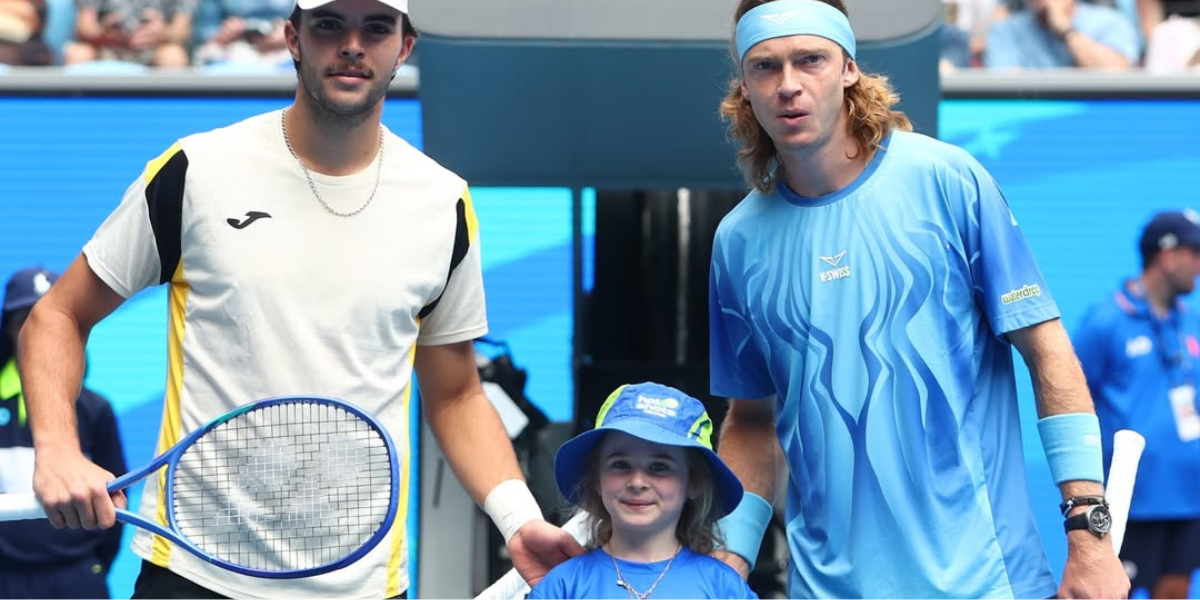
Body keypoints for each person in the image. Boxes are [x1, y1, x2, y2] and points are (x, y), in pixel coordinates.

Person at [18, 0, 582, 597]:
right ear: (293, 37)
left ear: (405, 48)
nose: (352, 45)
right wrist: (56, 449)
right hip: (192, 574)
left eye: (376, 27)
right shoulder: (196, 170)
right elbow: (57, 314)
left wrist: (519, 519)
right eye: (330, 24)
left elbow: (456, 393)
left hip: (362, 585)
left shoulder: (444, 204)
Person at [708, 0, 1129, 598]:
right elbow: (752, 421)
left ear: (850, 68)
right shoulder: (737, 241)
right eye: (766, 67)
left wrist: (1089, 534)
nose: (790, 85)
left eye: (811, 60)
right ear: (744, 88)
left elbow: (1047, 351)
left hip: (986, 582)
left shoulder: (948, 180)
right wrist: (726, 565)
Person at [529, 382, 758, 600]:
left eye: (659, 467)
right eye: (620, 465)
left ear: (694, 483)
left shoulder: (723, 587)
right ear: (596, 478)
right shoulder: (564, 586)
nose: (637, 482)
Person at [1072, 210, 1200, 600]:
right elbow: (1071, 400)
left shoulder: (1190, 322)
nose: (1199, 264)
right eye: (1195, 252)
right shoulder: (1105, 323)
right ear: (1167, 255)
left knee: (1176, 590)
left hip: (1188, 496)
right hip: (1131, 499)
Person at [0, 266, 127, 599]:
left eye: (46, 322)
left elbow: (117, 501)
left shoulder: (96, 409)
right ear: (9, 330)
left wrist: (88, 566)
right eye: (24, 322)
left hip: (78, 578)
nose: (37, 333)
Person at [984, 0, 1139, 69]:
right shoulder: (1006, 30)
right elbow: (1007, 88)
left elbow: (1116, 74)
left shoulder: (1111, 21)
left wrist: (1066, 31)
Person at [61, 0, 194, 68]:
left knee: (173, 56)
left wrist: (161, 33)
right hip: (105, 47)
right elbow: (85, 27)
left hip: (156, 49)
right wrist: (104, 33)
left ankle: (166, 118)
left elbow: (181, 31)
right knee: (79, 55)